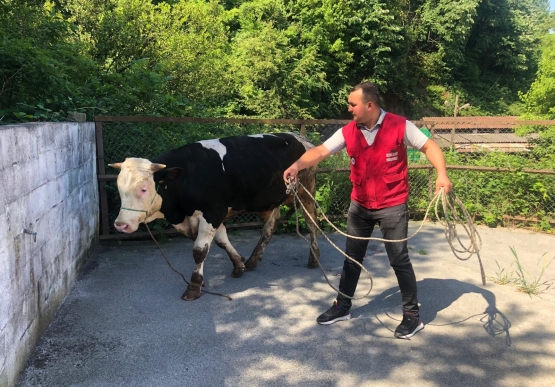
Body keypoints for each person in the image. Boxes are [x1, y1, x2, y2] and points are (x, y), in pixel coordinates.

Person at [283, 81, 452, 339]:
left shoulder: (400, 126)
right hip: (360, 206)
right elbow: (319, 151)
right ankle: (343, 306)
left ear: (369, 105)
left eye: (353, 104)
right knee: (352, 258)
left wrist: (442, 174)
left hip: (392, 205)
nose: (349, 108)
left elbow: (429, 147)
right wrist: (296, 165)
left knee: (399, 260)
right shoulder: (348, 131)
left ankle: (412, 316)